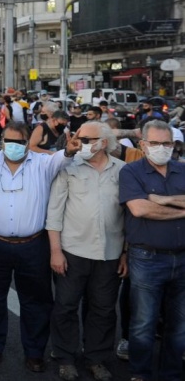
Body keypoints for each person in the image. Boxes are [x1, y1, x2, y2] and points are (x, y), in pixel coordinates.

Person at [0, 120, 81, 372]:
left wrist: (69, 149)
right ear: (2, 140)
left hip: (33, 245)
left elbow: (63, 157)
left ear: (27, 143)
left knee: (36, 301)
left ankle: (35, 352)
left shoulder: (43, 163)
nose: (14, 147)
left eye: (20, 142)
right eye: (9, 142)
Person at [46, 122, 125, 381]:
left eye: (87, 139)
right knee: (66, 306)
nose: (81, 143)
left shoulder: (122, 171)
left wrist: (125, 252)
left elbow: (128, 215)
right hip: (73, 251)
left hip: (110, 253)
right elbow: (54, 212)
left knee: (103, 309)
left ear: (104, 143)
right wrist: (55, 251)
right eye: (78, 138)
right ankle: (66, 357)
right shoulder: (70, 168)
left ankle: (96, 358)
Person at [118, 120, 185, 381]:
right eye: (155, 143)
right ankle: (140, 374)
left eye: (166, 143)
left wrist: (164, 199)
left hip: (182, 258)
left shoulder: (181, 170)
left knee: (179, 325)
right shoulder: (131, 172)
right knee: (143, 323)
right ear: (143, 145)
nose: (161, 148)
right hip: (146, 258)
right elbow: (140, 209)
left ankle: (172, 374)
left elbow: (152, 206)